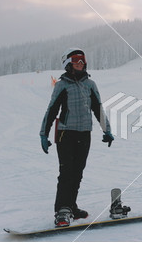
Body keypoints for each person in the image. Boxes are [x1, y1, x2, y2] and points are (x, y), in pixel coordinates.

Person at [40, 48, 114, 227]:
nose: (79, 64)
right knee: (66, 172)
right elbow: (51, 110)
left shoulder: (90, 85)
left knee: (78, 172)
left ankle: (71, 206)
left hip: (84, 134)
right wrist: (44, 133)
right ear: (68, 64)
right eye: (75, 61)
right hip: (66, 134)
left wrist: (107, 130)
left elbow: (98, 109)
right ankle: (62, 211)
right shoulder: (62, 85)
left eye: (82, 61)